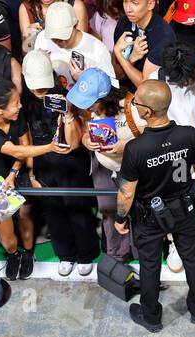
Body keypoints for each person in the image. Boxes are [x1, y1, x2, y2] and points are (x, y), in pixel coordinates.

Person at [115, 79, 195, 330]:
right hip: (187, 207)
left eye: (136, 102)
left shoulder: (135, 149)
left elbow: (127, 192)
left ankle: (152, 317)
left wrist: (120, 217)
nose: (133, 105)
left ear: (146, 112)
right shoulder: (188, 134)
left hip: (149, 216)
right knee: (192, 259)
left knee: (149, 266)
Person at [0, 75, 72, 279]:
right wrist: (51, 147)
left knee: (26, 215)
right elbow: (15, 151)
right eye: (15, 104)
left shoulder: (15, 116)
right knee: (7, 236)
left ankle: (27, 253)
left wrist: (13, 173)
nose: (20, 106)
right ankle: (13, 253)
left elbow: (23, 148)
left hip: (18, 173)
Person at [21, 49, 97, 275]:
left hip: (72, 164)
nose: (39, 90)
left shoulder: (66, 95)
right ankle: (65, 254)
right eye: (34, 85)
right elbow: (25, 140)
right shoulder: (23, 102)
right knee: (54, 212)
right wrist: (32, 175)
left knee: (78, 210)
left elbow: (74, 144)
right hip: (43, 163)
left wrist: (69, 114)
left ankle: (86, 254)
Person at [68, 65, 134, 261]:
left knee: (136, 210)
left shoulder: (132, 105)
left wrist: (127, 146)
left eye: (90, 103)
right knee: (108, 210)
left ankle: (141, 253)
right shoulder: (87, 109)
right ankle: (117, 255)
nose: (86, 107)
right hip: (103, 167)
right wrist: (87, 140)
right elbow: (84, 132)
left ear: (104, 97)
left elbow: (152, 137)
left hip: (131, 169)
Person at [34, 0, 114, 91]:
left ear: (75, 25)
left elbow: (109, 89)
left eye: (64, 37)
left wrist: (84, 79)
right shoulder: (42, 39)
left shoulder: (98, 49)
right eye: (55, 39)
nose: (60, 43)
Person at [111, 0, 174, 88]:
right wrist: (131, 59)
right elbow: (116, 74)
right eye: (125, 1)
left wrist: (118, 53)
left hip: (146, 98)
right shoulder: (124, 22)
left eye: (135, 3)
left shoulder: (163, 36)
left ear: (150, 4)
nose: (128, 9)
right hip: (121, 89)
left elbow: (146, 88)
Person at [18, 0, 89, 54]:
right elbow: (27, 54)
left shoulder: (76, 6)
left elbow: (81, 48)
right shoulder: (27, 8)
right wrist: (28, 39)